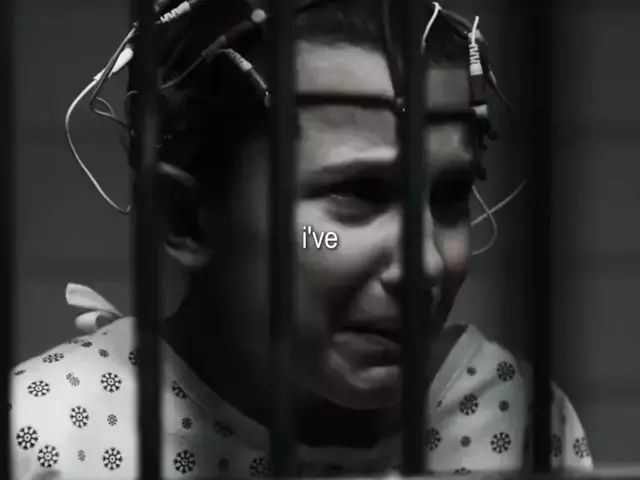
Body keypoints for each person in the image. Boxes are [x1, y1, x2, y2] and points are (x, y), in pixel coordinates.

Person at [10, 0, 593, 478]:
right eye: (359, 193)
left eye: (450, 194)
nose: (427, 264)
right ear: (184, 217)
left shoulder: (513, 423)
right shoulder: (55, 435)